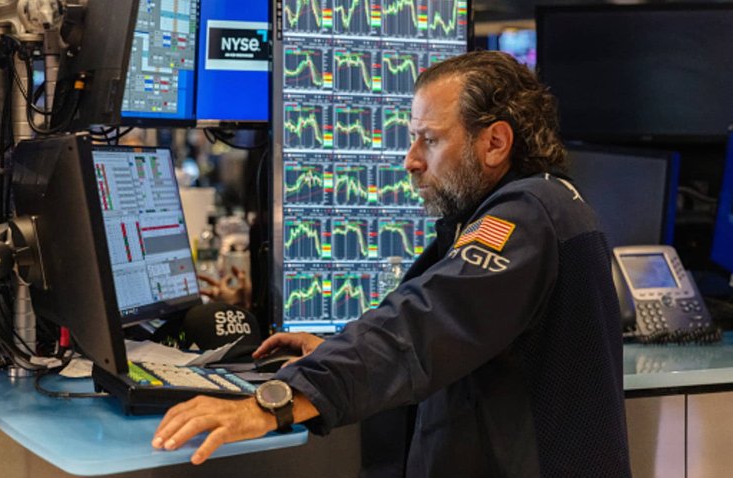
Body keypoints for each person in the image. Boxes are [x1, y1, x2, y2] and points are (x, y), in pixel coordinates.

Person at [151, 51, 631, 477]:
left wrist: (274, 401)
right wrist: (336, 351)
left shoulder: (527, 217)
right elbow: (457, 341)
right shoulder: (532, 207)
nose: (411, 160)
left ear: (495, 143)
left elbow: (422, 324)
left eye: (430, 140)